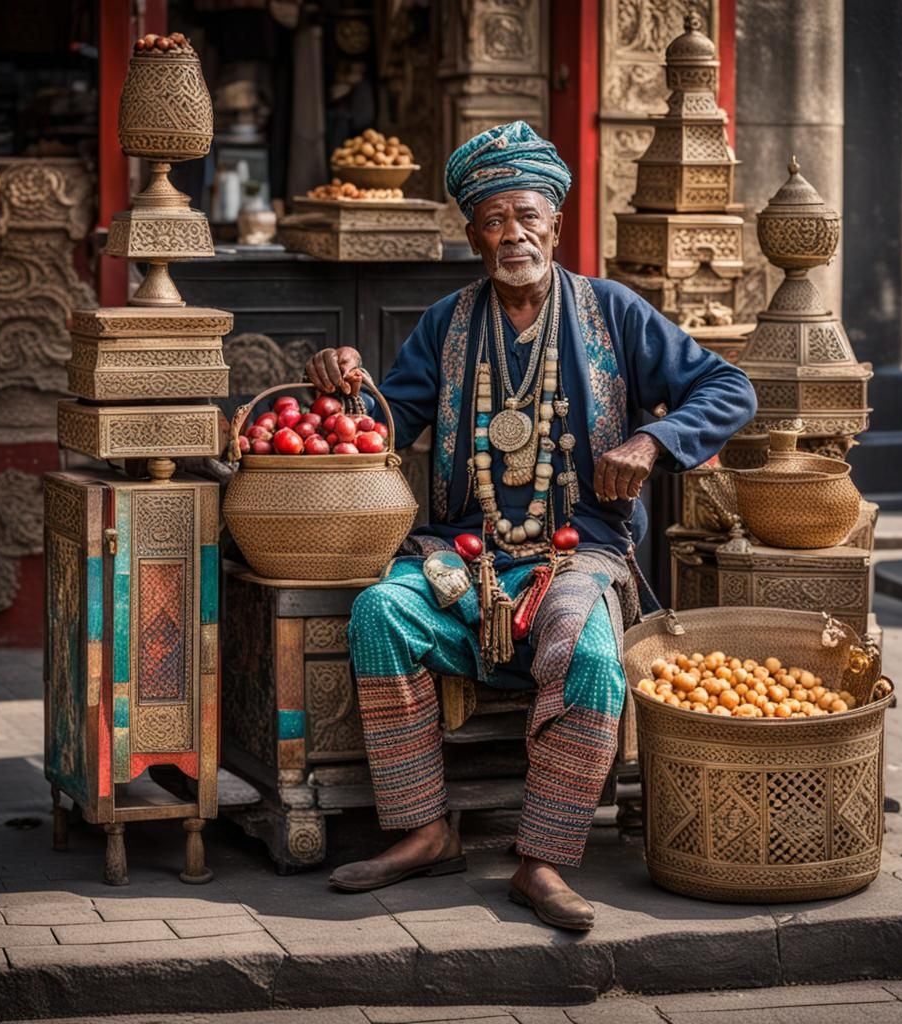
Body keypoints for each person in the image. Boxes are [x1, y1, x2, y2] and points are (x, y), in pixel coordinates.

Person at [305, 121, 757, 931]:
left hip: (578, 555)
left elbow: (727, 388)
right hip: (462, 560)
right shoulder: (447, 324)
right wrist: (345, 387)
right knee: (380, 614)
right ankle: (424, 830)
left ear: (554, 220)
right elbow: (384, 422)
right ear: (472, 233)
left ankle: (541, 858)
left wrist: (652, 441)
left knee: (586, 651)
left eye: (527, 215)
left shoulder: (611, 312)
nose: (513, 234)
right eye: (493, 220)